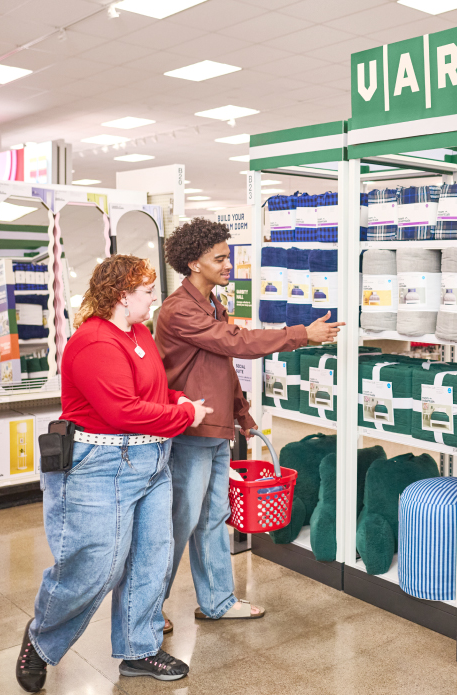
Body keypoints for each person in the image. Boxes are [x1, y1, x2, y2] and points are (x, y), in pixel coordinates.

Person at [16, 255, 212, 692]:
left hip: (152, 462)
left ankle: (139, 649)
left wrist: (179, 400)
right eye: (147, 292)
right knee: (96, 567)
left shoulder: (139, 333)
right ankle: (41, 639)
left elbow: (151, 393)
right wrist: (183, 416)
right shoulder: (94, 342)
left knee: (151, 560)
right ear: (123, 296)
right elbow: (122, 410)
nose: (154, 299)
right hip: (99, 467)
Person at [154, 218, 342, 630]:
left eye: (229, 256)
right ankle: (148, 608)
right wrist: (300, 335)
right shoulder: (179, 309)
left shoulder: (211, 304)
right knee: (179, 522)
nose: (229, 265)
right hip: (192, 430)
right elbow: (234, 343)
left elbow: (221, 364)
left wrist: (241, 413)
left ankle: (218, 601)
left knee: (212, 516)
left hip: (216, 426)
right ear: (192, 263)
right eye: (219, 258)